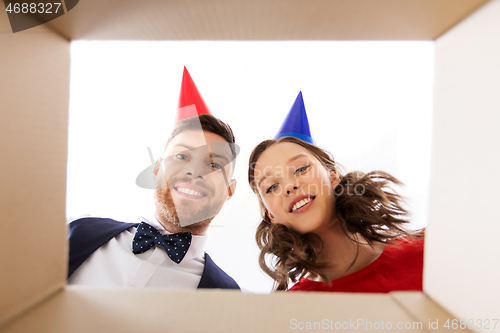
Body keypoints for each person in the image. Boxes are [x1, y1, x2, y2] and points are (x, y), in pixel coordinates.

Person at [68, 68, 240, 289]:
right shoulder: (76, 231)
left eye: (214, 164)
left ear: (229, 190)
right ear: (156, 170)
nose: (194, 172)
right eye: (182, 156)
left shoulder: (229, 297)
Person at [247, 92, 424, 292]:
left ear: (332, 176)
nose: (289, 186)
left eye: (300, 169)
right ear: (271, 215)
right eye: (271, 187)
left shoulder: (431, 249)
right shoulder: (289, 310)